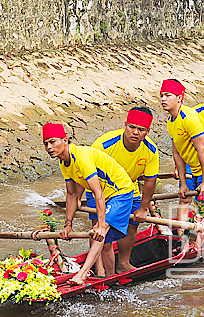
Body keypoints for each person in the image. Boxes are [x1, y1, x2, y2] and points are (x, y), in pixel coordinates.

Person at [44, 122, 137, 286]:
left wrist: (101, 225)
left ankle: (83, 273)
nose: (49, 147)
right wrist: (68, 225)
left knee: (100, 231)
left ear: (65, 141)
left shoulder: (81, 157)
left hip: (120, 191)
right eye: (46, 143)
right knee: (103, 239)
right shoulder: (63, 162)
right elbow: (72, 194)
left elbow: (97, 194)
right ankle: (108, 278)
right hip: (106, 194)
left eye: (53, 142)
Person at [160, 79, 204, 247]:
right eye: (161, 95)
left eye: (168, 95)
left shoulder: (189, 118)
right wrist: (183, 184)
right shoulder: (171, 121)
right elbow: (177, 153)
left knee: (201, 212)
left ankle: (194, 247)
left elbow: (203, 150)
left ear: (179, 98)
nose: (163, 99)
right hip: (197, 169)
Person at [91, 107, 160, 274]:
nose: (135, 132)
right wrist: (77, 198)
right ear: (125, 126)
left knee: (132, 225)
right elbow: (85, 170)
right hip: (101, 188)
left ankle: (123, 262)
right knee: (99, 229)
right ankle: (100, 270)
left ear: (147, 132)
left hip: (129, 188)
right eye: (131, 127)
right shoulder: (105, 144)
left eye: (141, 130)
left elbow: (150, 181)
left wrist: (143, 209)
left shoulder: (151, 150)